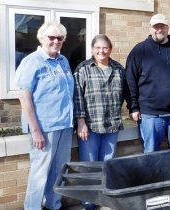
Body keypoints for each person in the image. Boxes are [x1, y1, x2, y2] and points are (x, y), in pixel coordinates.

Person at [15, 21, 74, 210]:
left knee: (59, 170)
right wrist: (36, 131)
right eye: (52, 37)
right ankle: (32, 207)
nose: (56, 41)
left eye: (60, 38)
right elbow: (25, 98)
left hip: (65, 124)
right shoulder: (31, 61)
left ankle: (53, 203)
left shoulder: (63, 60)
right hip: (44, 128)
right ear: (42, 38)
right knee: (39, 173)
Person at [73, 34, 128, 210]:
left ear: (110, 49)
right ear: (92, 49)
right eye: (97, 47)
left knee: (107, 164)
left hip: (111, 124)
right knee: (89, 165)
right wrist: (80, 121)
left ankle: (103, 197)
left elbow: (123, 95)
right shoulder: (83, 69)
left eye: (105, 47)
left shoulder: (119, 69)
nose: (101, 51)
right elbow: (77, 98)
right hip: (90, 125)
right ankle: (89, 201)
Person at [126, 13, 170, 153]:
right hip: (150, 114)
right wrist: (133, 107)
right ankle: (152, 176)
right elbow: (130, 80)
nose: (159, 30)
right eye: (155, 27)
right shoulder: (139, 50)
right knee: (151, 153)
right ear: (150, 29)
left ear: (167, 28)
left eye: (162, 26)